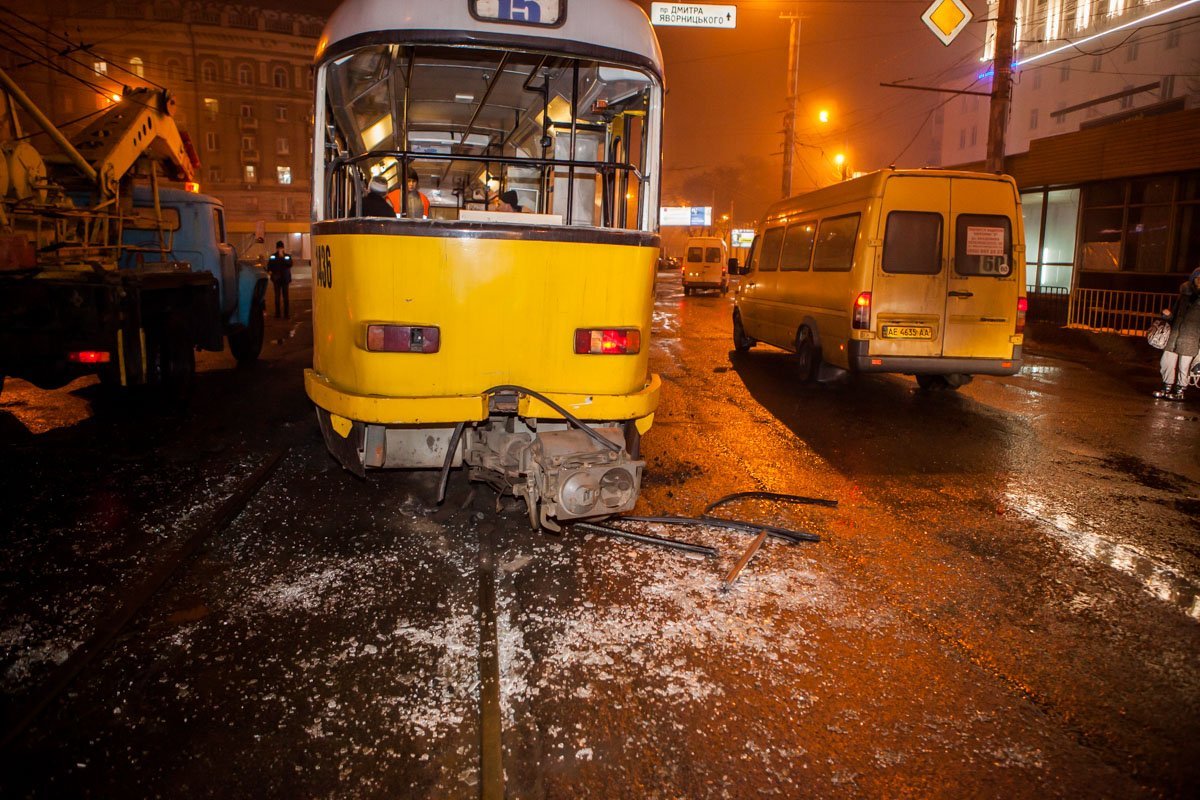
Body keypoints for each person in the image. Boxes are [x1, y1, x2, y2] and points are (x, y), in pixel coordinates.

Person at [1152, 267, 1200, 401]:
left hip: (1191, 336)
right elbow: (1175, 315)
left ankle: (1180, 390)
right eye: (1197, 278)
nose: (1199, 281)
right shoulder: (1184, 296)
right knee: (1166, 361)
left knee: (1184, 366)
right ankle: (1166, 387)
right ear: (1193, 279)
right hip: (1175, 334)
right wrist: (1167, 316)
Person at [267, 240, 292, 319]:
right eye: (279, 248)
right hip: (276, 279)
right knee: (277, 297)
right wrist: (270, 272)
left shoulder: (287, 256)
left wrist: (283, 257)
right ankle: (277, 314)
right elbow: (269, 266)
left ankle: (286, 314)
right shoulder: (273, 256)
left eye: (281, 248)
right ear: (276, 248)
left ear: (283, 248)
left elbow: (290, 264)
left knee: (286, 297)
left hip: (285, 279)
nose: (280, 249)